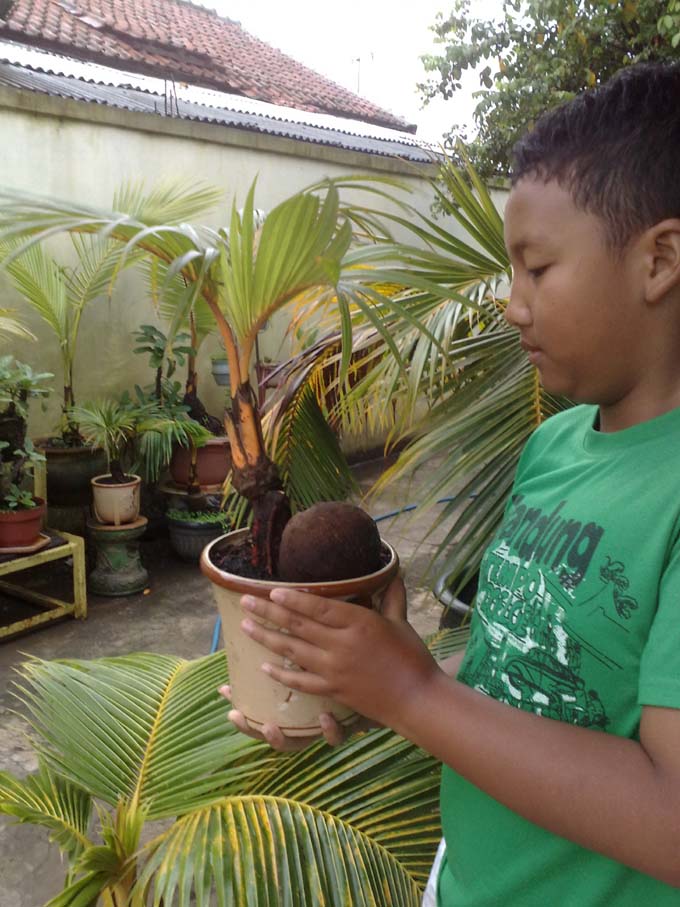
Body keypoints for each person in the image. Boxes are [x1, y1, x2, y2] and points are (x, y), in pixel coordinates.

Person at [220, 61, 680, 905]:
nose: (512, 304)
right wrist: (378, 682)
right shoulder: (552, 446)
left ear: (660, 260)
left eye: (537, 270)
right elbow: (534, 682)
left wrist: (414, 691)